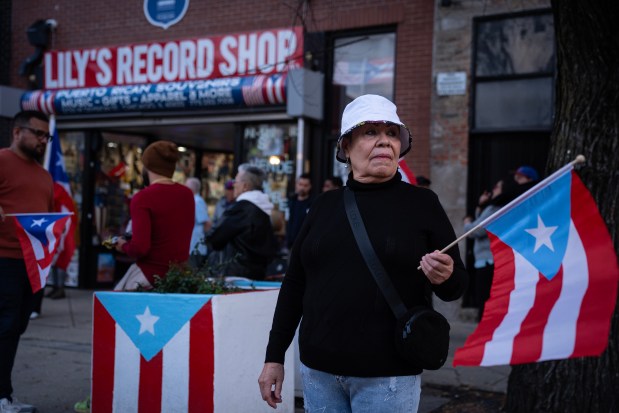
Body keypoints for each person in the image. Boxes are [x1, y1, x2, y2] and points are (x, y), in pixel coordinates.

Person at [258, 94, 468, 412]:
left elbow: (456, 287)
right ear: (346, 146)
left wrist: (447, 274)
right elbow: (295, 284)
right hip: (319, 372)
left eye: (391, 133)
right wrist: (274, 357)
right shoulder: (324, 205)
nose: (384, 141)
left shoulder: (423, 204)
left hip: (389, 376)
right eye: (370, 132)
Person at [0, 110, 54, 413]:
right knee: (6, 325)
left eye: (47, 136)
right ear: (17, 132)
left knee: (16, 325)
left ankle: (4, 393)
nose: (43, 141)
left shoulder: (44, 175)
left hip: (32, 264)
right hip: (3, 258)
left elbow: (44, 219)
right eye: (38, 134)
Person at [113, 140, 194, 291]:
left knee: (112, 309)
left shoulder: (142, 198)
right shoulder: (187, 194)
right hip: (179, 277)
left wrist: (123, 245)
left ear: (148, 166)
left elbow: (140, 248)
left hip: (148, 275)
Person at [204, 164, 277, 280]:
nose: (233, 185)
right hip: (258, 274)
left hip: (237, 276)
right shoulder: (263, 210)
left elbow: (216, 240)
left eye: (235, 181)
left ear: (245, 186)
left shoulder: (241, 209)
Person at [185, 177, 211, 269]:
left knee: (193, 272)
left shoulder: (197, 201)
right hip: (193, 246)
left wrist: (203, 239)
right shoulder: (194, 200)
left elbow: (207, 223)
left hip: (196, 247)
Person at [286, 173, 313, 249]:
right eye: (300, 184)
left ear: (310, 186)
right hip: (291, 243)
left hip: (305, 245)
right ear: (296, 184)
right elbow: (287, 221)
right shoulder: (291, 201)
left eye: (305, 185)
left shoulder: (313, 204)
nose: (302, 188)